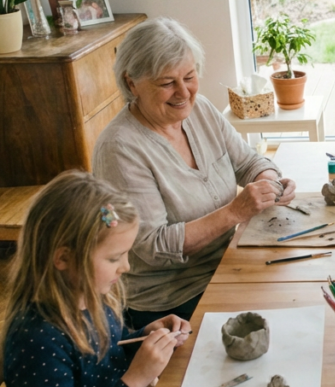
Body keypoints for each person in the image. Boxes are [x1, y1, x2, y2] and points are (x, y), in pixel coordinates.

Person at [2, 171, 191, 387]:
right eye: (114, 257)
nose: (127, 266)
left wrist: (140, 337)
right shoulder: (37, 340)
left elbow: (103, 358)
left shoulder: (91, 297)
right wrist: (135, 380)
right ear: (63, 259)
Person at [93, 17, 296, 327]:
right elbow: (152, 246)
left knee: (300, 292)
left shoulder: (199, 109)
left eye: (189, 76)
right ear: (131, 83)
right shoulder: (119, 148)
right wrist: (234, 212)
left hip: (228, 262)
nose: (183, 92)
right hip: (172, 300)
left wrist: (268, 183)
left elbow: (248, 162)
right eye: (166, 83)